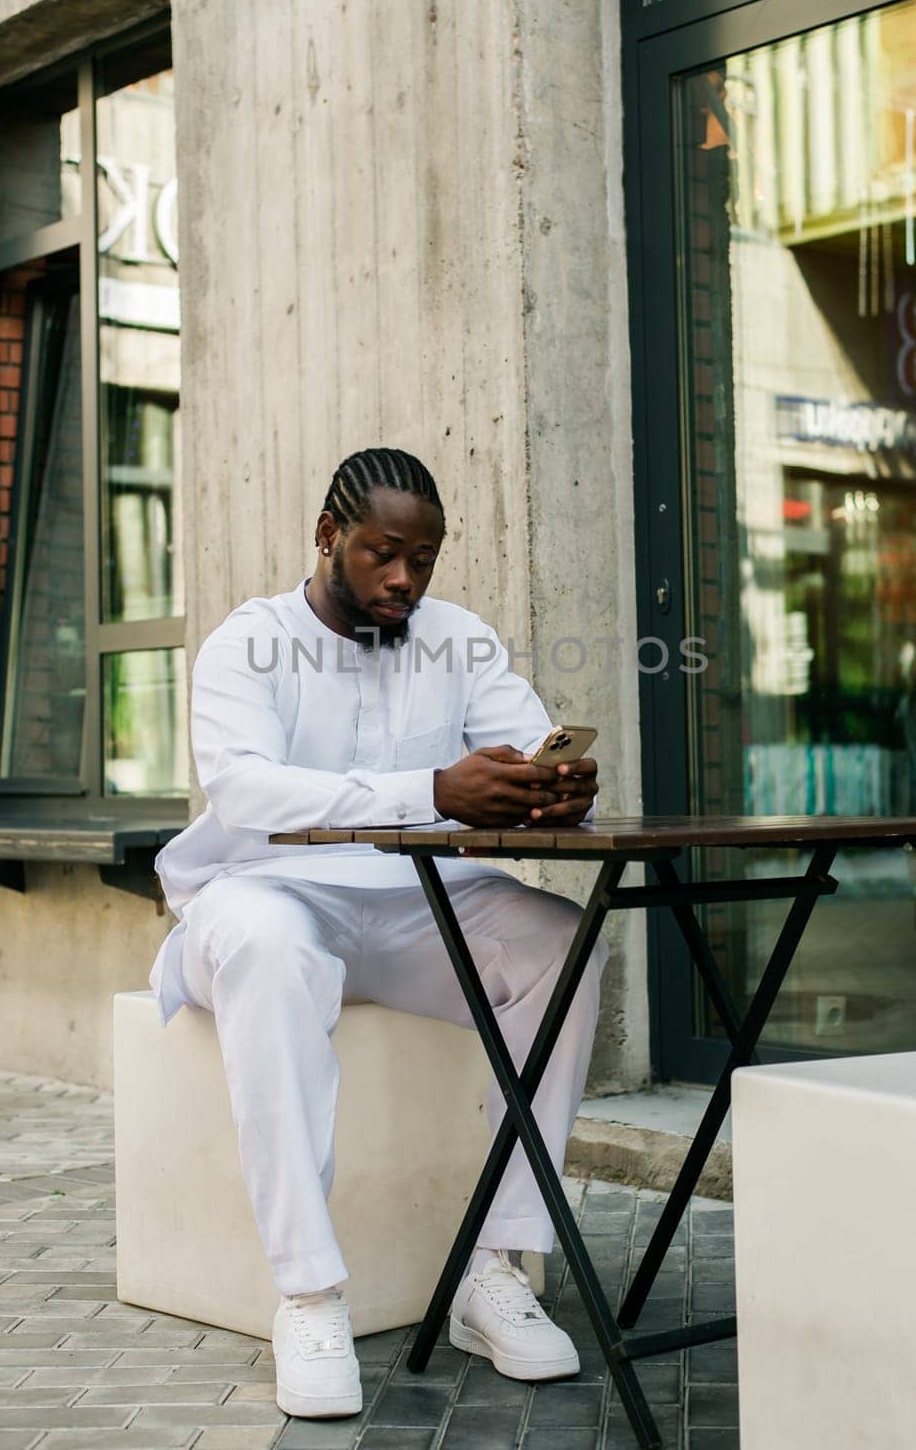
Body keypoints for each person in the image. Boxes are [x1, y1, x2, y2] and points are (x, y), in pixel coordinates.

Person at [150, 446, 604, 1420]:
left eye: (426, 558)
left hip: (413, 901)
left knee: (562, 941)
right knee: (273, 951)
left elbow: (517, 746)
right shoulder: (251, 639)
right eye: (384, 552)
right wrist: (433, 789)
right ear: (329, 537)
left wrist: (548, 790)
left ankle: (494, 1266)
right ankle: (308, 1293)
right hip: (259, 891)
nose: (405, 577)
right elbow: (248, 791)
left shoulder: (460, 638)